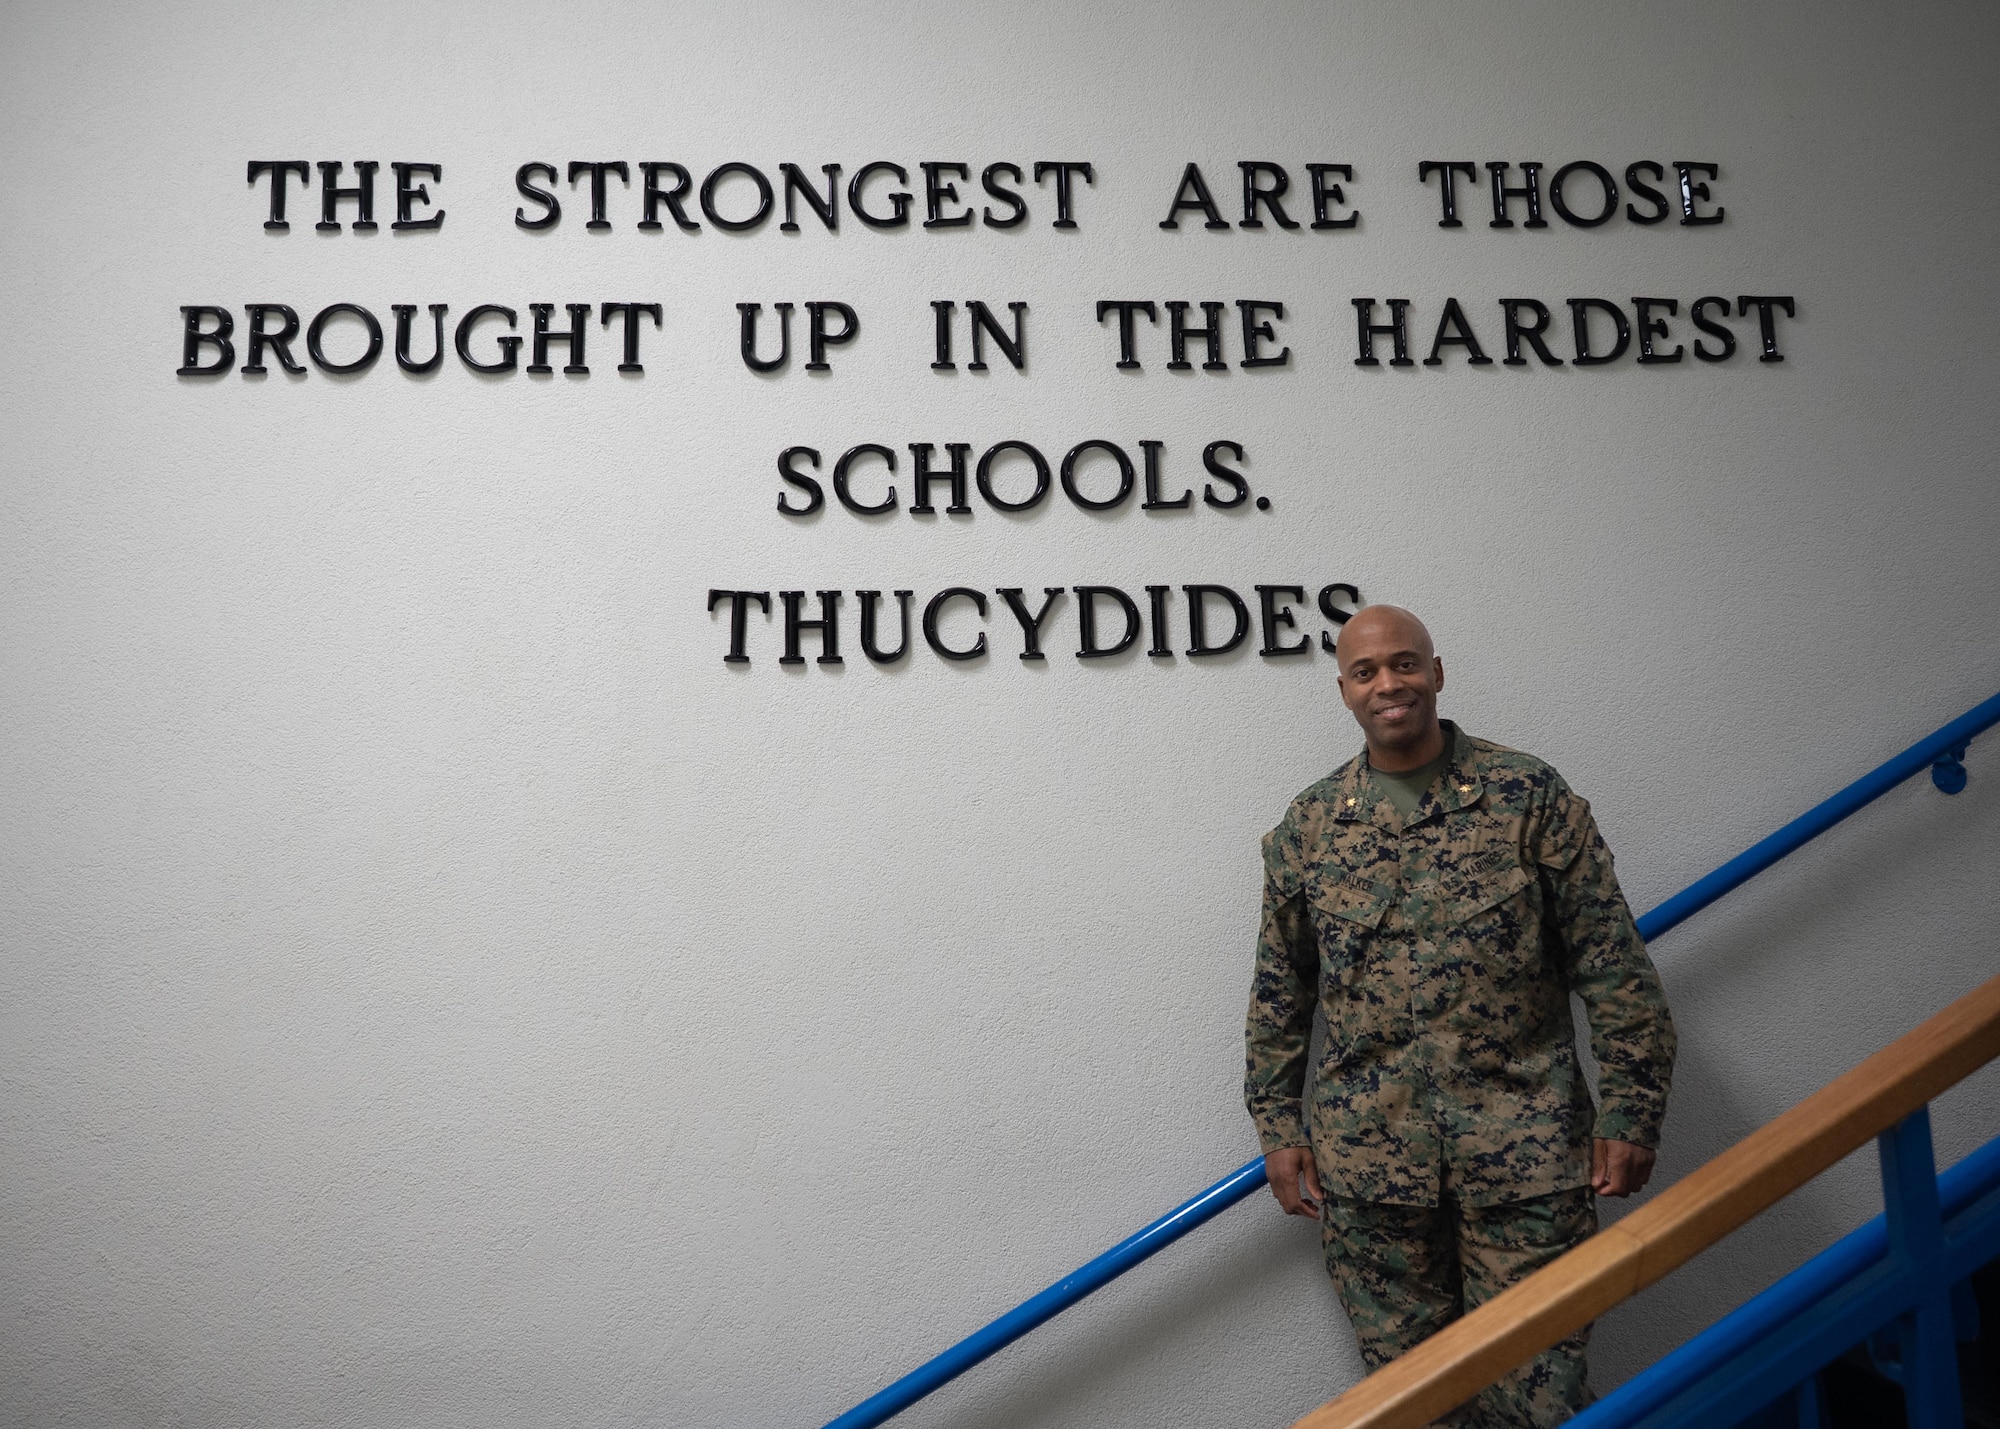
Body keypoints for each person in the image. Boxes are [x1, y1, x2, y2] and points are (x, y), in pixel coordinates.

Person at [1244, 605, 1676, 1428]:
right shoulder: (1309, 827)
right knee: (1415, 1409)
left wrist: (1632, 1108)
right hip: (1373, 1179)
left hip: (1529, 1163)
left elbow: (1615, 966)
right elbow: (1279, 997)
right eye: (1367, 672)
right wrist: (1277, 1126)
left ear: (1437, 673)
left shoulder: (1528, 796)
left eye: (1405, 664)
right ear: (1344, 691)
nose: (1389, 685)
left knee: (1537, 1402)